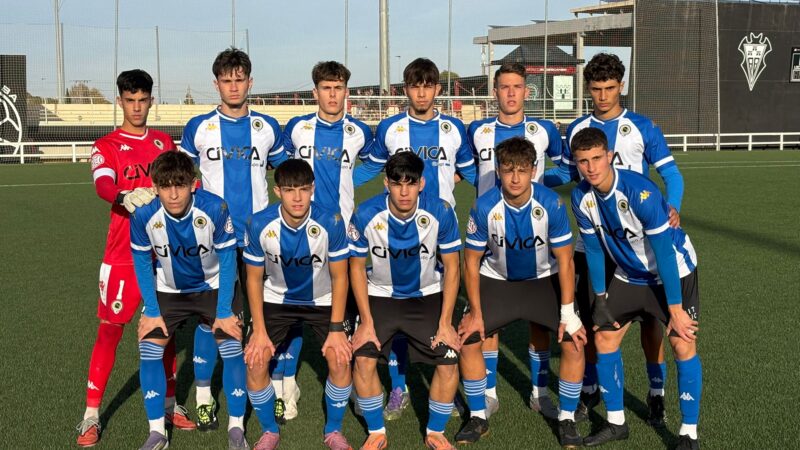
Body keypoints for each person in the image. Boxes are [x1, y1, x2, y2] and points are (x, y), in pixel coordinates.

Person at [550, 53, 685, 425]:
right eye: (596, 89)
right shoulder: (578, 129)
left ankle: (656, 392)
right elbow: (566, 174)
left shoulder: (642, 127)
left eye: (610, 88)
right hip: (595, 239)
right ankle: (592, 386)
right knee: (596, 318)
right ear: (588, 88)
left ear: (621, 86)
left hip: (638, 244)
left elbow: (672, 176)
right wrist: (528, 180)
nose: (603, 95)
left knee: (650, 323)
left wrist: (672, 207)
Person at [76, 69, 195, 447]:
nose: (137, 107)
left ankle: (171, 405)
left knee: (166, 330)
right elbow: (103, 183)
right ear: (120, 101)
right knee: (110, 330)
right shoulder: (107, 144)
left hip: (164, 254)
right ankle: (91, 415)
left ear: (151, 101)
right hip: (123, 255)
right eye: (130, 100)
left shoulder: (163, 142)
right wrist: (122, 196)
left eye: (143, 100)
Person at [355, 57, 475, 420]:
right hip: (397, 228)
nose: (421, 93)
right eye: (414, 86)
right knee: (397, 300)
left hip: (439, 228)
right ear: (405, 90)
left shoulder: (454, 128)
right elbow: (370, 168)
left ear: (437, 89)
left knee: (438, 308)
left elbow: (470, 171)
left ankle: (445, 381)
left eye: (427, 86)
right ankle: (399, 386)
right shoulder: (390, 128)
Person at [570, 128, 702, 449]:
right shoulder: (581, 197)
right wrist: (600, 297)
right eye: (583, 161)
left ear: (610, 156)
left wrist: (674, 309)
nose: (591, 167)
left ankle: (688, 433)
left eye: (597, 158)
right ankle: (616, 422)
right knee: (604, 337)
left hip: (672, 271)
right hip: (630, 274)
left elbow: (664, 252)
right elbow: (595, 249)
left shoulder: (639, 191)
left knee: (682, 342)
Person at [179, 47, 287, 431]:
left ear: (250, 82)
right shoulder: (198, 127)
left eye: (240, 79)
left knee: (268, 314)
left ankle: (273, 389)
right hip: (213, 240)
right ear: (216, 84)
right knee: (211, 317)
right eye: (227, 80)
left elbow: (284, 175)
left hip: (259, 239)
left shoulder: (268, 127)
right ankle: (204, 397)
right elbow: (182, 177)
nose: (234, 86)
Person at [455, 137, 586, 447]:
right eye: (508, 170)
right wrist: (475, 312)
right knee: (469, 338)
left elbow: (566, 260)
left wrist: (569, 313)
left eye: (523, 170)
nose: (515, 178)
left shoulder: (551, 203)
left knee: (574, 341)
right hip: (497, 280)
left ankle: (564, 416)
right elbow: (470, 262)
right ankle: (479, 414)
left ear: (534, 170)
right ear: (498, 170)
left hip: (542, 280)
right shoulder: (484, 206)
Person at [466, 62, 567, 419]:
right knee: (487, 323)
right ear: (495, 91)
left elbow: (567, 166)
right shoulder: (477, 131)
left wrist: (538, 187)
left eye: (517, 86)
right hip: (490, 233)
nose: (510, 93)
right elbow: (465, 167)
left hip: (534, 232)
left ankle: (539, 393)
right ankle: (489, 393)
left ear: (527, 91)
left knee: (540, 322)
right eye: (504, 86)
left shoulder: (544, 130)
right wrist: (486, 192)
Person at [129, 151, 248, 450]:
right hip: (169, 290)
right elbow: (141, 262)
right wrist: (151, 310)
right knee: (149, 348)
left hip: (215, 287)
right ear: (155, 187)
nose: (173, 194)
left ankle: (236, 428)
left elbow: (228, 259)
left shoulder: (215, 208)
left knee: (232, 347)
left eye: (180, 185)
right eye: (165, 186)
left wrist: (224, 311)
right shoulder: (143, 215)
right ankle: (157, 432)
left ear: (193, 184)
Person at [277, 61, 374, 422]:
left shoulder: (359, 131)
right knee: (294, 309)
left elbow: (375, 163)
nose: (333, 95)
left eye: (338, 88)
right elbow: (283, 167)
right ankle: (287, 384)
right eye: (326, 88)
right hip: (299, 233)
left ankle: (356, 386)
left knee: (346, 311)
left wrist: (348, 178)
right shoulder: (297, 129)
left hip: (342, 235)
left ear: (346, 91)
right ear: (315, 91)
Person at [350, 152, 462, 450]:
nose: (404, 191)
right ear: (386, 183)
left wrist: (446, 323)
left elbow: (453, 267)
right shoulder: (365, 214)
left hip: (427, 295)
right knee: (363, 359)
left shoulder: (441, 211)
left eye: (410, 184)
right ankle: (376, 432)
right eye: (397, 183)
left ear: (421, 184)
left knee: (449, 359)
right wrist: (366, 322)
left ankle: (435, 431)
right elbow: (356, 268)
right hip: (381, 296)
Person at [242, 159, 353, 450]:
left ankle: (333, 430)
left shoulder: (331, 221)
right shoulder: (259, 223)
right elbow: (253, 279)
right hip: (277, 299)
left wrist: (336, 329)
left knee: (340, 358)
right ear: (277, 191)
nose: (297, 198)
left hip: (323, 299)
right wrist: (259, 331)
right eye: (290, 190)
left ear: (312, 189)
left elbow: (340, 276)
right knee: (256, 360)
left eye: (303, 189)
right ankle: (269, 431)